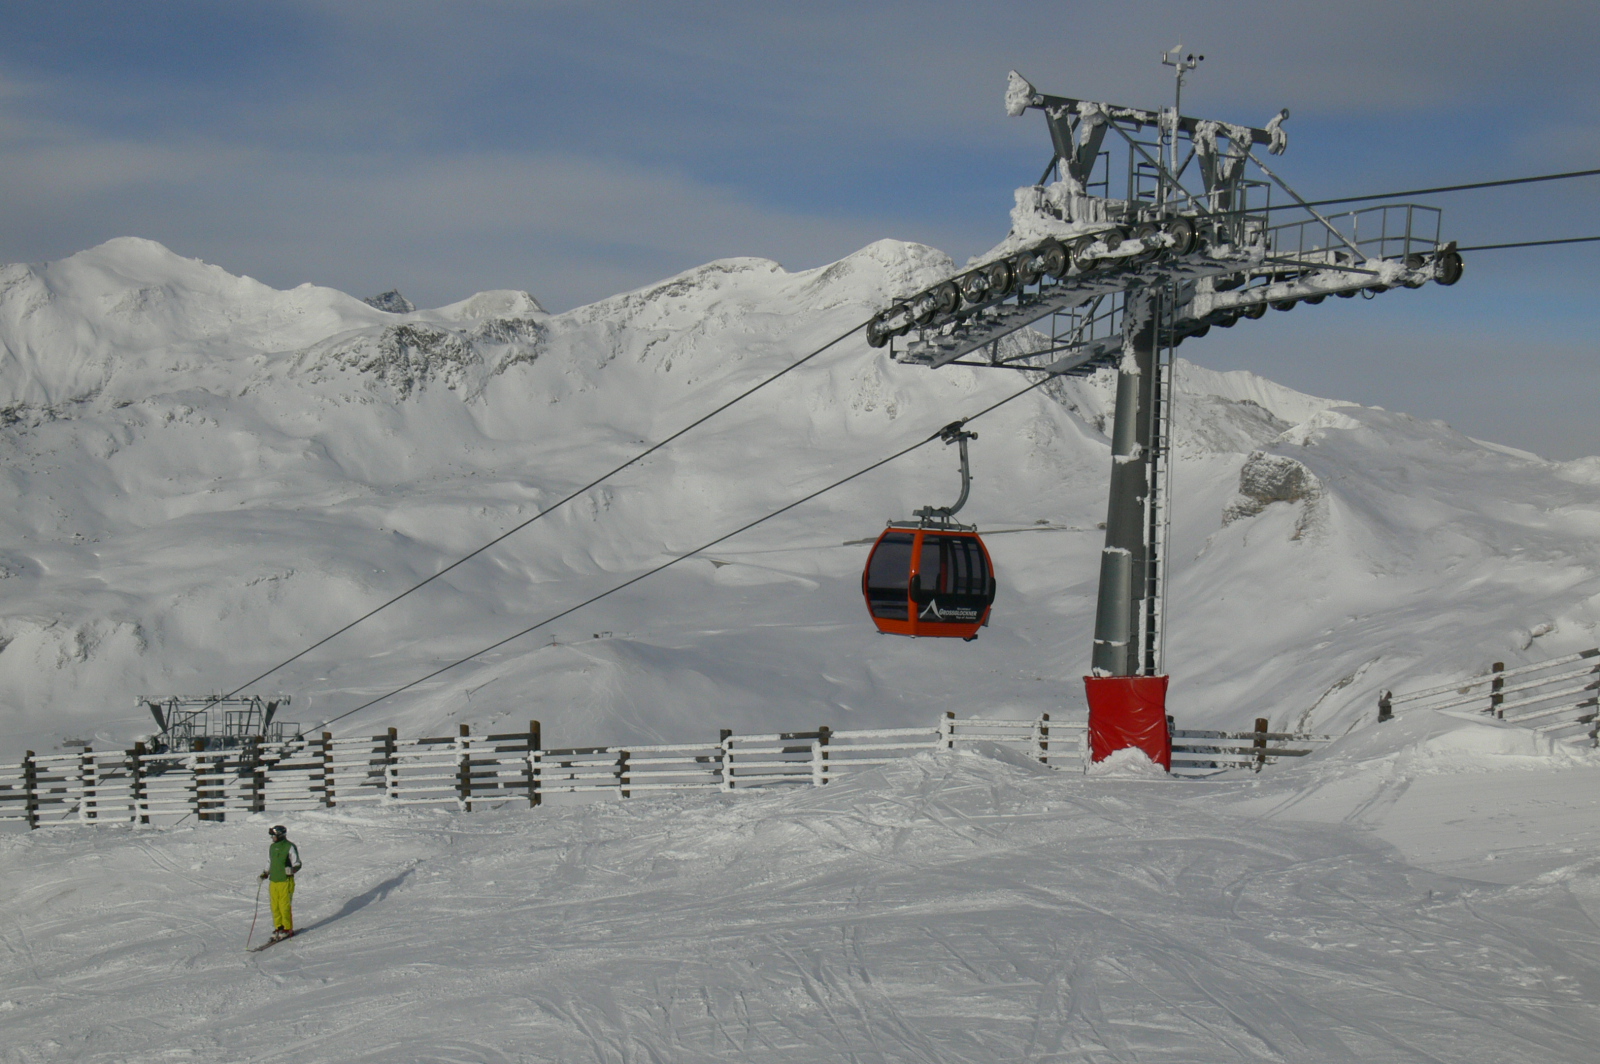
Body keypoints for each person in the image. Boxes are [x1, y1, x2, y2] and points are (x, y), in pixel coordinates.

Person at [258, 825, 302, 941]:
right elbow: (269, 862)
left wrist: (292, 870)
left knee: (284, 905)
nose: (272, 838)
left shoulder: (289, 846)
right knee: (275, 906)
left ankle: (287, 928)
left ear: (281, 835)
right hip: (274, 880)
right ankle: (279, 927)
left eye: (274, 836)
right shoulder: (272, 847)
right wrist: (265, 873)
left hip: (285, 881)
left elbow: (297, 863)